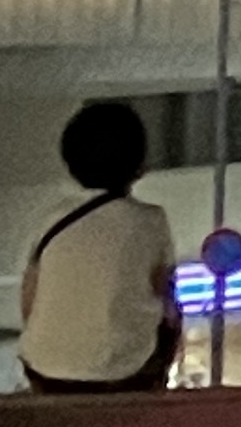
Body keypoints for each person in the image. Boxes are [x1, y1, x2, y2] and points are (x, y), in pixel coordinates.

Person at [18, 103, 178, 395]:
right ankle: (156, 388)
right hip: (124, 372)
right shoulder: (151, 221)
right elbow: (165, 297)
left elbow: (29, 300)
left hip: (44, 370)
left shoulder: (50, 219)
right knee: (171, 312)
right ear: (139, 165)